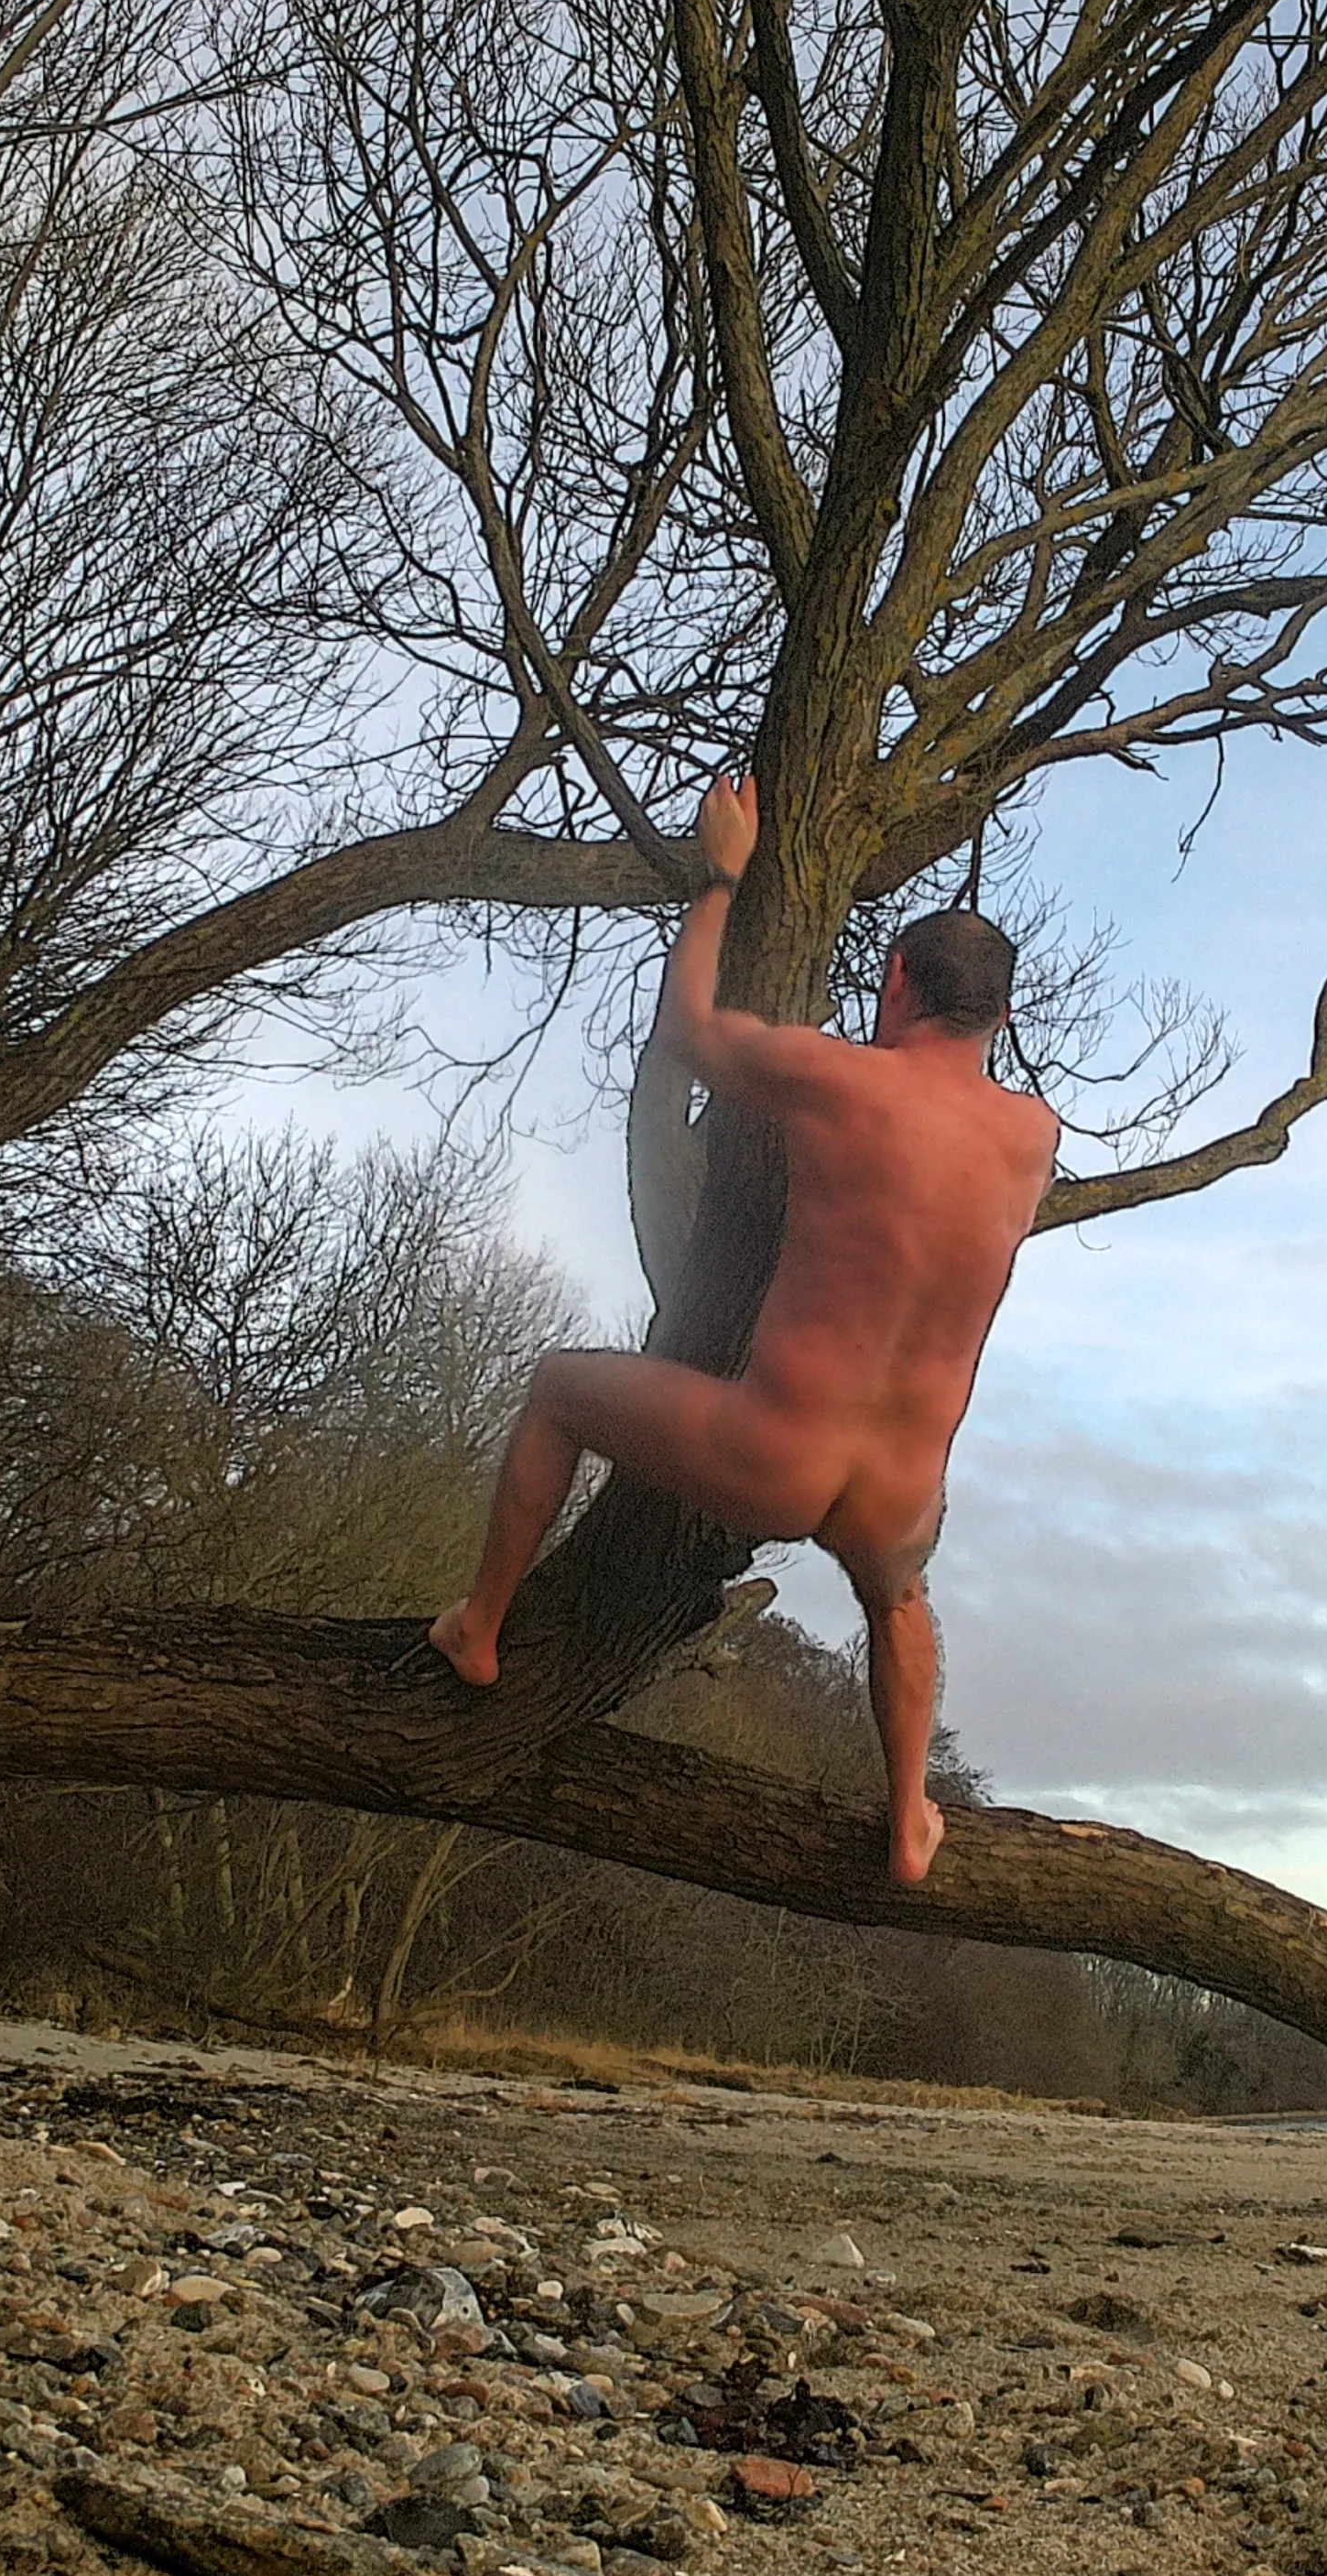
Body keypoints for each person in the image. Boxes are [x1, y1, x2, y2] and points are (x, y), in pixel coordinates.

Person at [429, 773, 1056, 1883]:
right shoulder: (1030, 1136)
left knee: (556, 1387)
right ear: (1000, 1018)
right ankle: (910, 1813)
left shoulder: (837, 1080)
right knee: (897, 1597)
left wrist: (719, 876)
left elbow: (692, 1035)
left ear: (894, 979)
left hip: (775, 1447)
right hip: (901, 1490)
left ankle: (477, 1628)